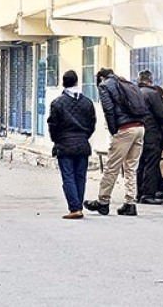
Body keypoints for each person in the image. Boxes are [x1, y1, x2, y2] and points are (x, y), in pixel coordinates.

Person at [84, 68, 146, 216]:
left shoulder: (104, 85)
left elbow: (108, 110)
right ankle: (130, 203)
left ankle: (103, 201)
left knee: (112, 166)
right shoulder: (127, 83)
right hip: (139, 127)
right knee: (131, 167)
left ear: (101, 78)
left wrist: (114, 131)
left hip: (125, 129)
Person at [47, 70, 97, 220]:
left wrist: (57, 140)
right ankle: (78, 206)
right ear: (76, 82)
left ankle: (74, 208)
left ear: (63, 83)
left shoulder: (57, 103)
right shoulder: (87, 102)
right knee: (80, 177)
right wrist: (84, 136)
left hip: (64, 144)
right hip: (82, 144)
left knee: (68, 177)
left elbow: (53, 125)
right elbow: (91, 124)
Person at [136, 70, 163, 204]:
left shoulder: (134, 93)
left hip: (137, 132)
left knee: (141, 163)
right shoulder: (153, 94)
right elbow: (162, 115)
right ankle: (148, 194)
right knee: (151, 163)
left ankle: (139, 193)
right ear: (150, 80)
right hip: (151, 133)